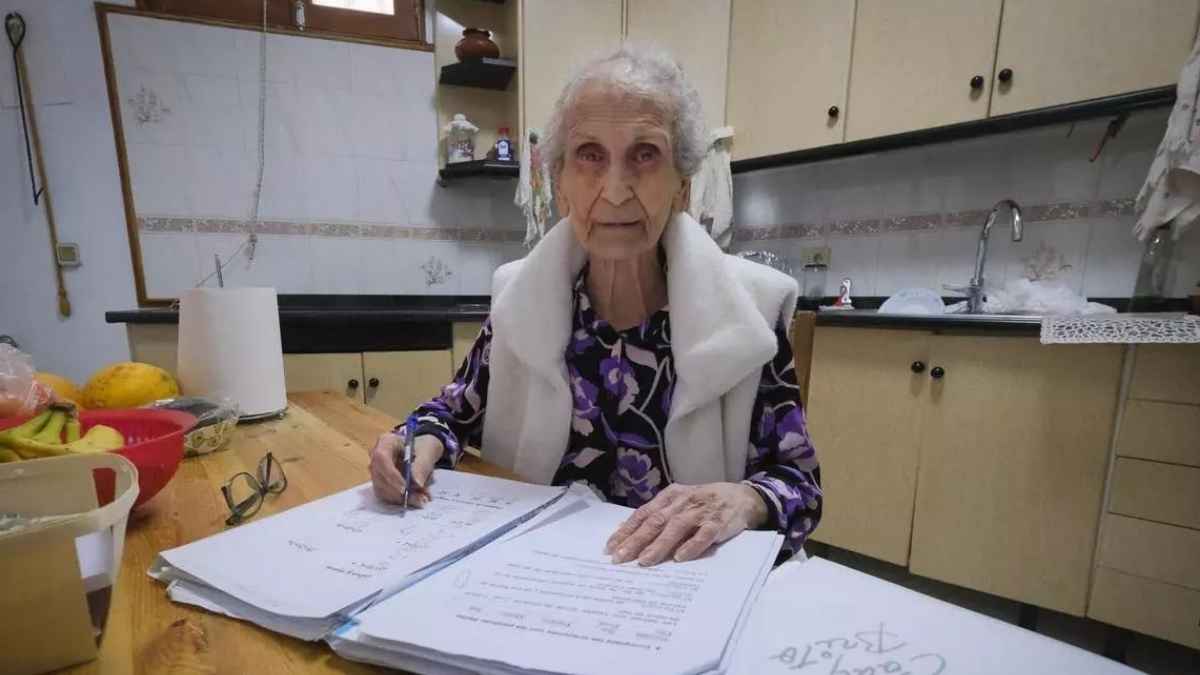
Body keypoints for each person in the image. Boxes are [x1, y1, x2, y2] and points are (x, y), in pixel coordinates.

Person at [369, 45, 821, 565]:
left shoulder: (751, 311)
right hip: (536, 579)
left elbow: (800, 487)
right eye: (590, 155)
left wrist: (744, 499)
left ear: (683, 186)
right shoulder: (523, 299)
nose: (615, 189)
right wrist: (411, 443)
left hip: (680, 587)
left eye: (645, 154)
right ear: (559, 185)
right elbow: (449, 415)